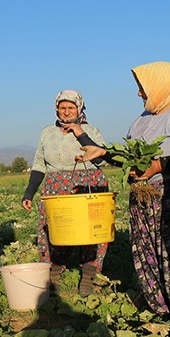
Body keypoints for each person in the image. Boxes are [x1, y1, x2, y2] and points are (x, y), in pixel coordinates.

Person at [76, 61, 170, 317]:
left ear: (160, 85)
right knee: (149, 252)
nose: (139, 93)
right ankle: (162, 308)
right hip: (143, 201)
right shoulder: (144, 118)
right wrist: (104, 152)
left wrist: (159, 166)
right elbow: (131, 159)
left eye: (143, 87)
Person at [21, 90, 109, 297]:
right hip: (55, 186)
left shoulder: (91, 131)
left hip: (87, 184)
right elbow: (39, 164)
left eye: (71, 107)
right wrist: (29, 193)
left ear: (79, 109)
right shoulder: (47, 132)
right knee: (54, 229)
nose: (67, 112)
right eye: (63, 108)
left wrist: (80, 132)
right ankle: (54, 272)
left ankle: (88, 273)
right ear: (56, 110)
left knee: (90, 231)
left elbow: (101, 159)